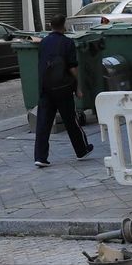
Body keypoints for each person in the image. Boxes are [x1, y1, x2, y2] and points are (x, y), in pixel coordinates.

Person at [32, 12, 95, 168]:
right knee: (71, 121)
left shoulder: (44, 42)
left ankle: (40, 157)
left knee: (43, 123)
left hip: (46, 88)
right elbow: (73, 68)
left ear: (51, 26)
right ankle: (81, 150)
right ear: (64, 25)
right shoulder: (68, 43)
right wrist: (78, 87)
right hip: (63, 89)